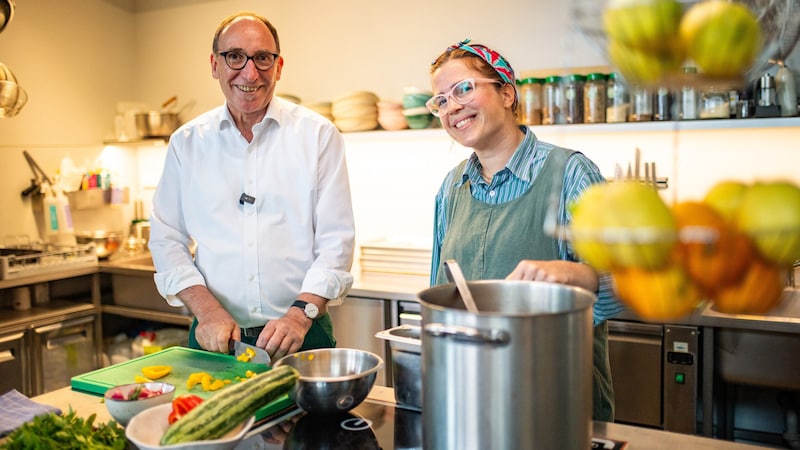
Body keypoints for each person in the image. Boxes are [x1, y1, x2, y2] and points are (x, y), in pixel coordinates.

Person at [426, 39, 624, 422]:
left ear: (506, 93)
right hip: (472, 401)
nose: (452, 107)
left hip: (556, 402)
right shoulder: (451, 188)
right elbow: (440, 297)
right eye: (441, 100)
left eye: (464, 89)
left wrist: (577, 273)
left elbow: (633, 283)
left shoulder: (570, 174)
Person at [148, 11, 355, 363]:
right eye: (235, 57)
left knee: (310, 421)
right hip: (216, 338)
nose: (250, 72)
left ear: (279, 66)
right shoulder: (187, 142)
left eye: (262, 58)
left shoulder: (318, 135)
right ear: (215, 64)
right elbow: (166, 237)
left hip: (301, 334)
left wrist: (299, 314)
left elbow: (336, 240)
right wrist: (207, 311)